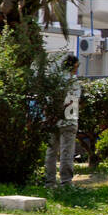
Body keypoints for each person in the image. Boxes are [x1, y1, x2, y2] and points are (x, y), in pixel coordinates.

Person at [45, 55, 81, 187]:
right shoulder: (73, 82)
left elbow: (47, 101)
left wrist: (51, 116)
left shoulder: (55, 80)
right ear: (74, 66)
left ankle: (49, 182)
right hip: (69, 119)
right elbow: (72, 100)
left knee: (51, 152)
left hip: (52, 120)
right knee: (66, 152)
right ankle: (66, 182)